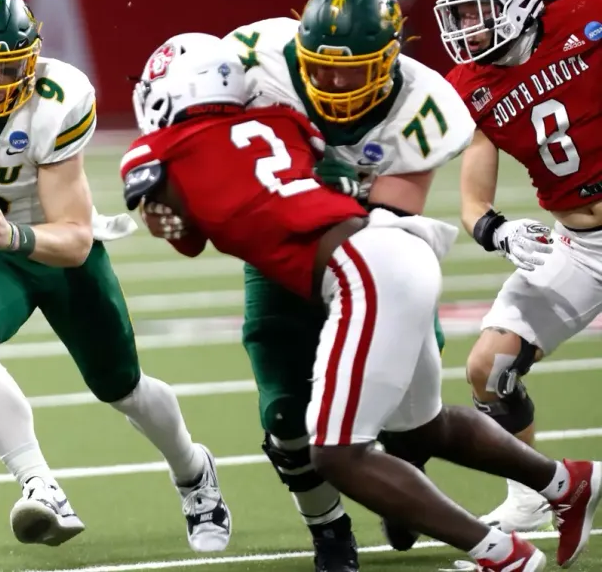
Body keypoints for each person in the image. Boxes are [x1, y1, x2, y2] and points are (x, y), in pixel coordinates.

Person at [120, 30, 601, 572]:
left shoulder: (155, 151)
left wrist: (163, 211)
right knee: (423, 427)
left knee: (337, 453)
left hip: (362, 274)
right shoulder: (281, 121)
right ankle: (567, 481)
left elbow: (187, 236)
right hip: (394, 245)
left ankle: (504, 558)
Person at [0, 0, 230, 551]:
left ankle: (193, 471)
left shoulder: (58, 100)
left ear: (32, 60)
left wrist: (16, 234)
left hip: (49, 245)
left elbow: (77, 238)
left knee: (124, 390)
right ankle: (40, 486)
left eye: (8, 68)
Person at [219, 0, 476, 569]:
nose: (333, 83)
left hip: (378, 252)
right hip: (281, 254)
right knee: (286, 417)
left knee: (411, 419)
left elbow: (387, 223)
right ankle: (330, 532)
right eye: (321, 67)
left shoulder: (423, 102)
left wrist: (332, 196)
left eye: (352, 69)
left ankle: (402, 482)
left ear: (388, 59)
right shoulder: (257, 60)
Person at [437, 0, 602, 535]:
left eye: (474, 10)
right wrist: (497, 230)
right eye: (456, 14)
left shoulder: (588, 16)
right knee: (488, 367)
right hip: (581, 246)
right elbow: (473, 202)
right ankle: (532, 491)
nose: (465, 29)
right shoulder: (472, 85)